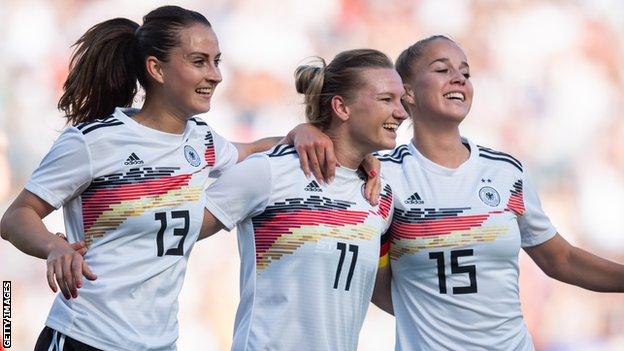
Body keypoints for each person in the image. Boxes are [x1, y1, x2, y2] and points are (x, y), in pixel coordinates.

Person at [0, 5, 340, 350]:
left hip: (160, 343)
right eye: (199, 61)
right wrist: (53, 246)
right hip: (85, 337)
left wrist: (300, 132)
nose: (216, 75)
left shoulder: (202, 141)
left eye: (216, 61)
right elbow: (15, 217)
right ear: (156, 69)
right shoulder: (93, 141)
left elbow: (253, 150)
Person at [371, 35, 624, 350]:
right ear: (407, 91)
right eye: (441, 69)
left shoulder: (505, 172)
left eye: (465, 72)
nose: (459, 78)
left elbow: (561, 259)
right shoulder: (381, 173)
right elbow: (373, 280)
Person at [197, 48, 408, 350]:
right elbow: (178, 230)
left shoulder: (380, 194)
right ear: (342, 107)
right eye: (386, 100)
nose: (400, 112)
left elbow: (381, 288)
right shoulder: (272, 172)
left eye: (400, 100)